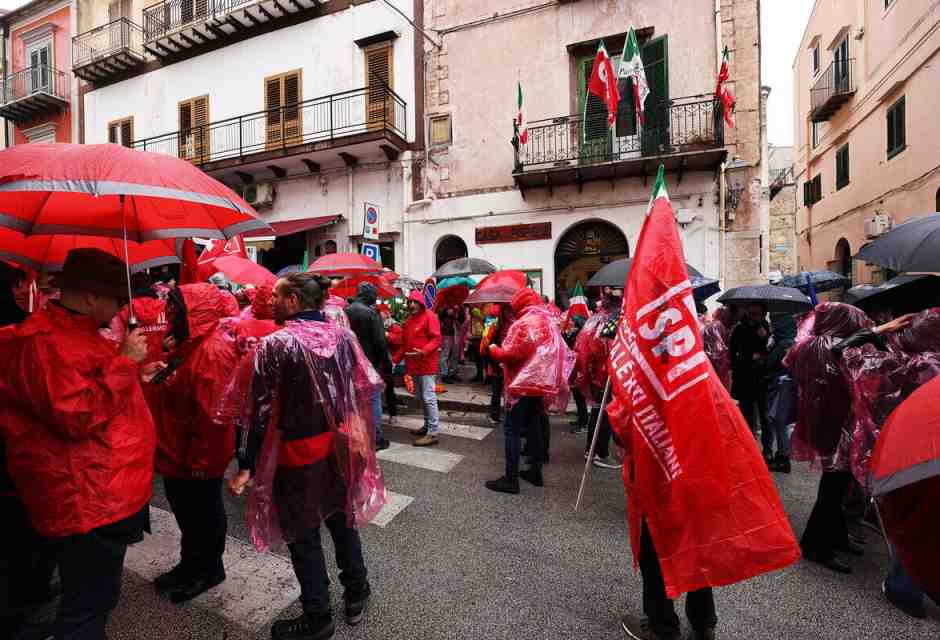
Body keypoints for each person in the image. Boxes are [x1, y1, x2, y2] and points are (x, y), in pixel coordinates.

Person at [0, 249, 162, 640]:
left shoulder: (77, 333)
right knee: (89, 603)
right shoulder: (45, 342)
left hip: (99, 493)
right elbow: (75, 416)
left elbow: (91, 391)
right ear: (91, 297)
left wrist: (133, 374)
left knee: (88, 596)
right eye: (116, 299)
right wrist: (125, 364)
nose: (120, 308)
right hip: (87, 499)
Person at [228, 273, 382, 640]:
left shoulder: (276, 345)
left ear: (294, 301)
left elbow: (256, 411)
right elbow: (361, 387)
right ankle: (356, 589)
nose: (272, 304)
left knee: (303, 533)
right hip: (342, 448)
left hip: (298, 455)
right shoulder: (343, 337)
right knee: (341, 519)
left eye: (278, 298)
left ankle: (318, 616)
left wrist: (246, 461)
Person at [148, 283, 240, 603]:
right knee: (189, 515)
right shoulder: (192, 342)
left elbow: (214, 418)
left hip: (195, 457)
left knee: (202, 515)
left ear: (195, 312)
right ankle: (191, 564)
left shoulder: (211, 351)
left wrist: (202, 463)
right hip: (179, 450)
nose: (170, 312)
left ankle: (208, 569)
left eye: (177, 307)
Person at [785, 302, 870, 574]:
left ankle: (835, 537)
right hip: (838, 424)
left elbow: (791, 366)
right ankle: (815, 545)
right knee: (834, 487)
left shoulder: (808, 345)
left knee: (838, 484)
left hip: (822, 422)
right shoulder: (836, 347)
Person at [485, 288, 573, 494]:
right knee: (534, 426)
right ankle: (535, 471)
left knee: (512, 430)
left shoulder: (523, 324)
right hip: (541, 383)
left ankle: (510, 478)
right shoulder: (547, 321)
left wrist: (493, 349)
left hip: (521, 384)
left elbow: (510, 354)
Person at [574, 288, 622, 470]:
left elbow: (585, 348)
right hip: (605, 374)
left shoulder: (596, 318)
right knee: (604, 413)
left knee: (597, 411)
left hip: (597, 374)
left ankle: (591, 450)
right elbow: (599, 347)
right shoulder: (609, 320)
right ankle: (599, 453)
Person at [345, 282, 391, 450]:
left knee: (355, 400)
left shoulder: (345, 311)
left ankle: (358, 434)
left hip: (350, 363)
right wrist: (386, 363)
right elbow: (380, 342)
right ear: (370, 295)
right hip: (370, 363)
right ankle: (376, 437)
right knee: (373, 399)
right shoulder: (372, 313)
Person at [402, 290, 443, 446]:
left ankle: (432, 432)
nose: (412, 305)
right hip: (415, 365)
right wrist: (395, 360)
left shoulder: (430, 317)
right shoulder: (409, 320)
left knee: (429, 397)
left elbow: (437, 338)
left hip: (427, 364)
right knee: (422, 397)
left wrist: (424, 351)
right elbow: (404, 343)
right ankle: (427, 426)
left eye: (415, 302)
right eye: (410, 302)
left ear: (420, 303)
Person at [729, 303, 771, 444]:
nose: (753, 317)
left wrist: (764, 338)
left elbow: (772, 353)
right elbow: (732, 354)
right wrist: (748, 357)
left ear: (763, 315)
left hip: (762, 379)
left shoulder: (767, 329)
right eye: (751, 314)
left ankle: (767, 450)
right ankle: (750, 446)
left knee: (765, 416)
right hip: (744, 378)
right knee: (746, 416)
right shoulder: (739, 329)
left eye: (757, 314)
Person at [763, 313, 798, 472]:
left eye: (774, 324)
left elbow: (769, 363)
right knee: (780, 423)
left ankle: (783, 457)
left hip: (779, 386)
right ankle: (782, 456)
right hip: (782, 385)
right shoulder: (788, 341)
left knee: (779, 423)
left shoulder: (784, 343)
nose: (772, 327)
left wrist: (766, 353)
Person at [438, 303, 465, 383]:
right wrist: (446, 311)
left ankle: (453, 373)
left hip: (455, 334)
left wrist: (457, 312)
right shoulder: (443, 306)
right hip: (445, 334)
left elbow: (462, 318)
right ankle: (444, 374)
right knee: (444, 355)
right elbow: (439, 315)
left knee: (455, 355)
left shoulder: (459, 305)